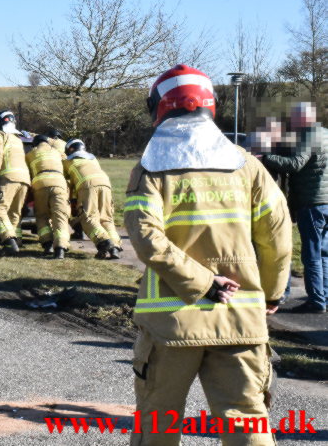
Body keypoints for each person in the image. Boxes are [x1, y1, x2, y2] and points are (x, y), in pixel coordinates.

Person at [125, 64, 291, 446]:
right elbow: (278, 237)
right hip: (240, 321)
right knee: (246, 423)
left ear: (159, 108)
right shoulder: (248, 167)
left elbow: (146, 237)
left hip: (170, 324)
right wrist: (270, 294)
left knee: (158, 423)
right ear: (210, 107)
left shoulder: (150, 170)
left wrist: (201, 284)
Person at [262, 102, 328, 313]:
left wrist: (265, 158)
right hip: (325, 201)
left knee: (312, 254)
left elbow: (296, 163)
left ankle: (316, 300)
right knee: (324, 252)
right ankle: (324, 295)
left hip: (312, 202)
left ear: (303, 118)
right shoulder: (325, 133)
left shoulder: (308, 135)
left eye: (294, 118)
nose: (292, 122)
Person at [63, 138, 122, 259]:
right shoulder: (93, 159)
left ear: (70, 150)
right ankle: (115, 247)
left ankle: (104, 242)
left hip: (88, 185)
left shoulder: (68, 162)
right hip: (106, 183)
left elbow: (66, 180)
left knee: (88, 217)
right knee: (106, 218)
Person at [0, 110, 31, 255]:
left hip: (8, 178)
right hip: (24, 180)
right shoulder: (18, 139)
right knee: (15, 212)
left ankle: (8, 241)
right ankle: (16, 244)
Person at [25, 134, 71, 258]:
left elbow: (26, 171)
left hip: (40, 184)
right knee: (60, 216)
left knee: (42, 215)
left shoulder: (30, 154)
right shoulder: (56, 152)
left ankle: (47, 244)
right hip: (59, 183)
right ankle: (60, 248)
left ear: (35, 144)